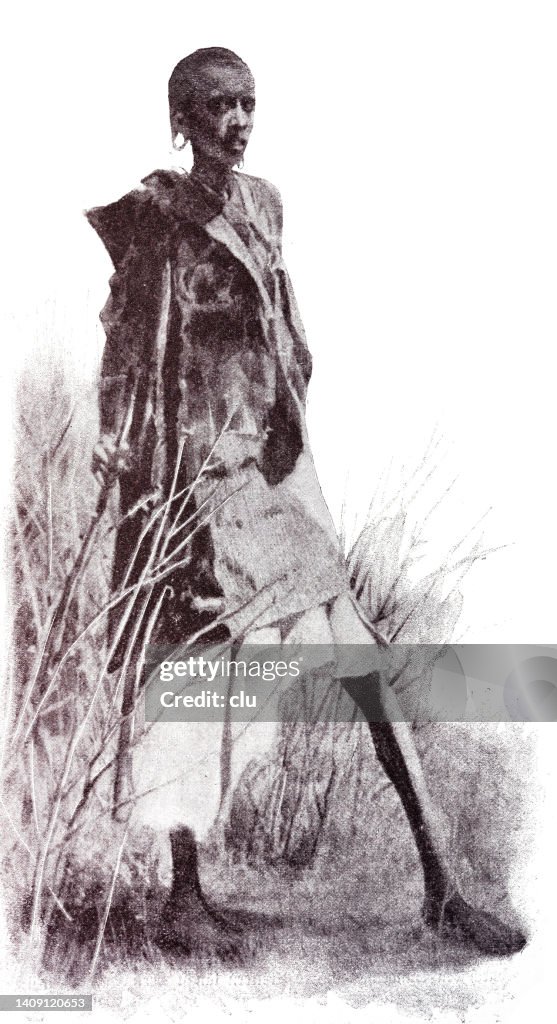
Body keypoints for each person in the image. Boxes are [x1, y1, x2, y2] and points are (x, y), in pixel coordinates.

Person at [87, 47, 525, 959]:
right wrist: (141, 473)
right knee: (193, 679)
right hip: (199, 488)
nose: (238, 120)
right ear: (183, 118)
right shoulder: (157, 223)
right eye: (218, 106)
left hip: (277, 473)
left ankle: (442, 886)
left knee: (361, 659)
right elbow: (130, 359)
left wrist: (283, 412)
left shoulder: (266, 203)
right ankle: (183, 898)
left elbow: (285, 331)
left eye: (248, 102)